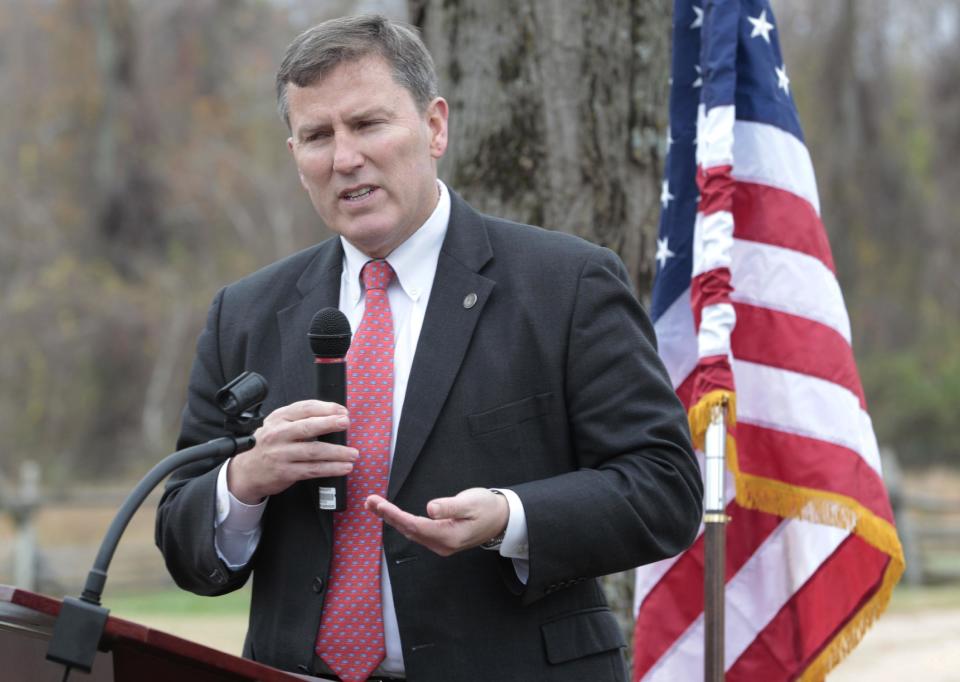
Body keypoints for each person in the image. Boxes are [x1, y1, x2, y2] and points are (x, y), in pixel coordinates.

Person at [156, 14, 702, 682]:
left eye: (368, 124)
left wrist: (511, 517)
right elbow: (183, 538)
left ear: (434, 125)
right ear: (295, 157)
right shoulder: (244, 313)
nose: (344, 157)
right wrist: (243, 483)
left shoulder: (565, 285)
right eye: (317, 136)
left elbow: (666, 488)